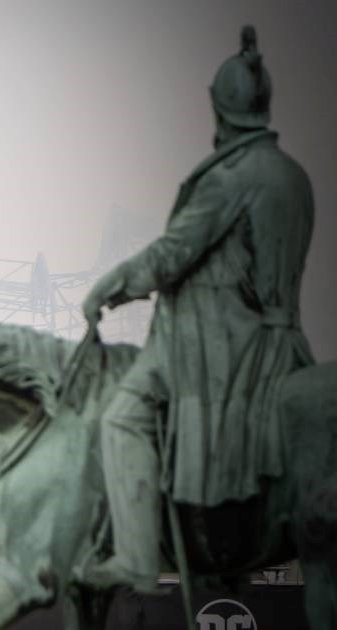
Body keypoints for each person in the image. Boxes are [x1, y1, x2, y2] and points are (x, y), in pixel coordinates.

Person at [82, 26, 314, 592]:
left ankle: (138, 558)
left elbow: (171, 255)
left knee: (122, 417)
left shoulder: (231, 178)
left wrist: (107, 287)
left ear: (222, 108)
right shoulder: (293, 176)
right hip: (286, 343)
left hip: (224, 347)